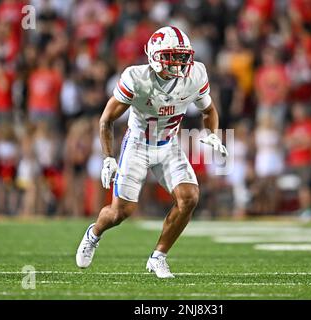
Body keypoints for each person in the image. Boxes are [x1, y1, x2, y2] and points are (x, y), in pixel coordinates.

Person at [75, 26, 228, 278]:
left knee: (189, 197)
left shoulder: (196, 75)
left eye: (182, 56)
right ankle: (94, 234)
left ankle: (158, 257)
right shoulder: (137, 78)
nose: (180, 63)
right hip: (137, 145)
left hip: (168, 145)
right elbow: (106, 119)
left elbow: (208, 110)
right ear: (155, 57)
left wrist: (211, 133)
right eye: (172, 56)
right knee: (119, 213)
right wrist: (108, 158)